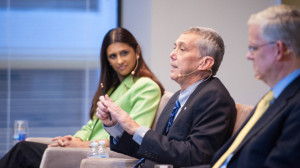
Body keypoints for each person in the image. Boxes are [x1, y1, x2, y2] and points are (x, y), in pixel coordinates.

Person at [0, 27, 164, 168]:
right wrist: (74, 139)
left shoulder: (146, 86)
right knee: (23, 150)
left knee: (23, 151)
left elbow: (135, 137)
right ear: (107, 60)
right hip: (87, 151)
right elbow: (91, 126)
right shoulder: (114, 88)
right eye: (113, 56)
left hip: (102, 156)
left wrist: (82, 144)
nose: (119, 61)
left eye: (124, 53)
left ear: (137, 51)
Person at [97, 27, 237, 168]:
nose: (172, 54)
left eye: (182, 49)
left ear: (205, 63)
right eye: (174, 47)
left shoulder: (214, 97)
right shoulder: (179, 96)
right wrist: (115, 127)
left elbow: (195, 156)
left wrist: (134, 127)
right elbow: (155, 150)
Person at [204, 5, 300, 168]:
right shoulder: (273, 97)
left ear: (278, 50)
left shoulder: (296, 104)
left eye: (253, 48)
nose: (248, 56)